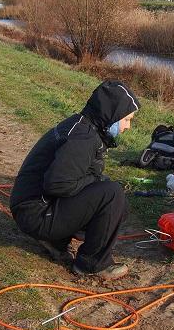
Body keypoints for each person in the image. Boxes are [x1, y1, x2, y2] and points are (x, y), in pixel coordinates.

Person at [9, 81, 140, 280]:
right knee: (112, 194)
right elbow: (57, 184)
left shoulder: (85, 127)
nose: (128, 127)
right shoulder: (83, 137)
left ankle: (56, 240)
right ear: (111, 116)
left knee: (116, 202)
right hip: (35, 213)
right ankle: (92, 264)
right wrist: (97, 182)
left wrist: (96, 181)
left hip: (36, 207)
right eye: (127, 120)